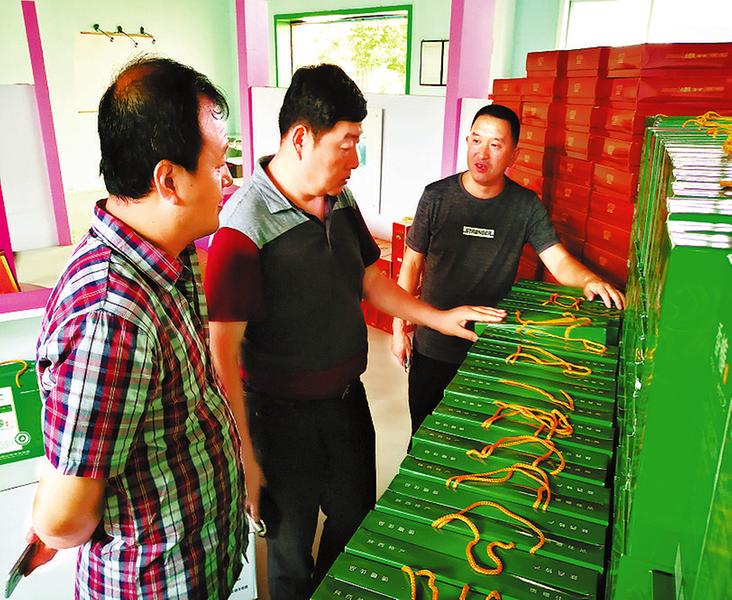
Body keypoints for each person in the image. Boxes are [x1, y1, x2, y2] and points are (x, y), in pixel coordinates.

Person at [204, 64, 505, 599]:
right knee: (290, 555)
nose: (356, 159)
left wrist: (437, 317)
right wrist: (245, 457)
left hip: (346, 404)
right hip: (279, 422)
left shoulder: (340, 199)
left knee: (355, 526)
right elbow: (220, 356)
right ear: (302, 138)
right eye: (346, 144)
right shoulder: (242, 230)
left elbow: (369, 279)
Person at [31, 57, 246, 599]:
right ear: (169, 180)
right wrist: (54, 499)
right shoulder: (111, 317)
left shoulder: (170, 257)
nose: (228, 179)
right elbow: (61, 521)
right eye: (219, 163)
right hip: (153, 584)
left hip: (197, 564)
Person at [392, 103, 626, 434]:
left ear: (513, 155)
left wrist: (590, 281)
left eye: (495, 144)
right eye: (476, 140)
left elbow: (557, 259)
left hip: (491, 346)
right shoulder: (436, 197)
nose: (482, 153)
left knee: (479, 437)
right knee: (424, 434)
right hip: (434, 344)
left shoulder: (525, 206)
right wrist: (399, 327)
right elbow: (412, 262)